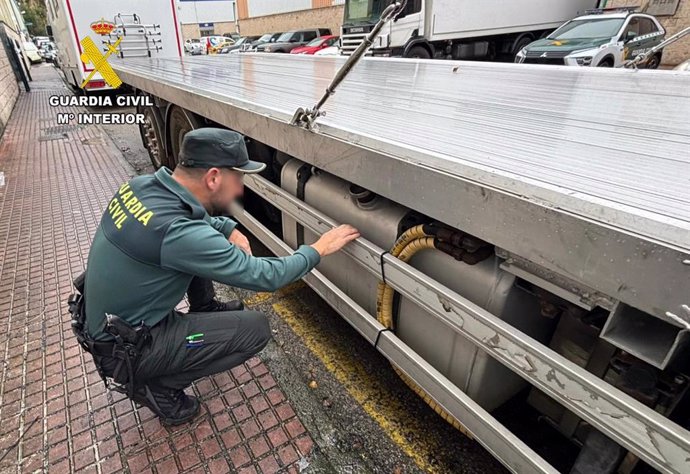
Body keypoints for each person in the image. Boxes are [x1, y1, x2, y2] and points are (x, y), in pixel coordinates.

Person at [81, 128, 360, 425]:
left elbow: (192, 221)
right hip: (126, 350)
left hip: (104, 325)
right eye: (238, 179)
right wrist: (318, 249)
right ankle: (158, 388)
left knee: (194, 254)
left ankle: (204, 308)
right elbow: (266, 276)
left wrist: (227, 228)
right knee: (254, 330)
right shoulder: (180, 235)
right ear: (213, 178)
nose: (240, 190)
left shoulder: (141, 186)